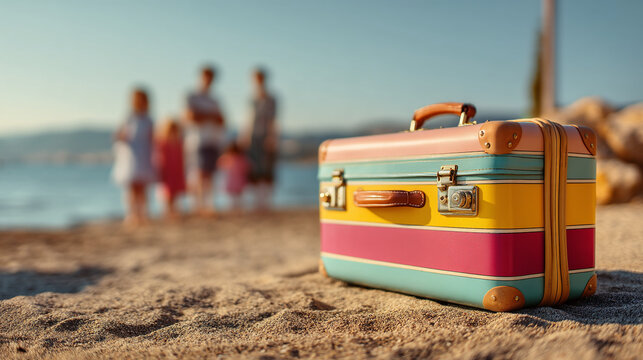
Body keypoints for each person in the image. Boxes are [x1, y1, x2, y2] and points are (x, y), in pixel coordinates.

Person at [183, 65, 226, 216]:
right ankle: (198, 206)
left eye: (211, 77)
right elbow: (191, 117)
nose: (208, 80)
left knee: (210, 174)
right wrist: (211, 116)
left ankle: (208, 205)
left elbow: (222, 120)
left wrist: (205, 115)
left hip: (213, 140)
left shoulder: (215, 99)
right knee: (199, 173)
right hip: (197, 140)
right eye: (206, 76)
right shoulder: (192, 96)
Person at [112, 88, 156, 227]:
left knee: (142, 187)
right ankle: (131, 214)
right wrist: (122, 137)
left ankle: (143, 214)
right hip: (131, 156)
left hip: (144, 155)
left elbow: (153, 137)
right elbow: (117, 135)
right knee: (132, 187)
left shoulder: (148, 119)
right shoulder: (129, 118)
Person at [240, 67, 278, 211]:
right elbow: (248, 120)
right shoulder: (252, 99)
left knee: (266, 169)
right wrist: (244, 136)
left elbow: (273, 119)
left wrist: (272, 136)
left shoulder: (271, 99)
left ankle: (266, 201)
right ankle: (256, 201)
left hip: (265, 135)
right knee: (254, 169)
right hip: (252, 137)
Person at [155, 118, 186, 220]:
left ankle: (174, 211)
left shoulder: (179, 144)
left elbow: (182, 159)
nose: (173, 133)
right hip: (168, 172)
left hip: (176, 172)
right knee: (168, 193)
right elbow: (159, 158)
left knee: (175, 193)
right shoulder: (163, 144)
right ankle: (167, 211)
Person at [217, 142, 251, 213]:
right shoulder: (242, 158)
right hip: (239, 180)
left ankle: (233, 208)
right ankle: (238, 208)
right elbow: (248, 167)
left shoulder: (227, 157)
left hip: (231, 180)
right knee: (238, 196)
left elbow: (220, 164)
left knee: (232, 197)